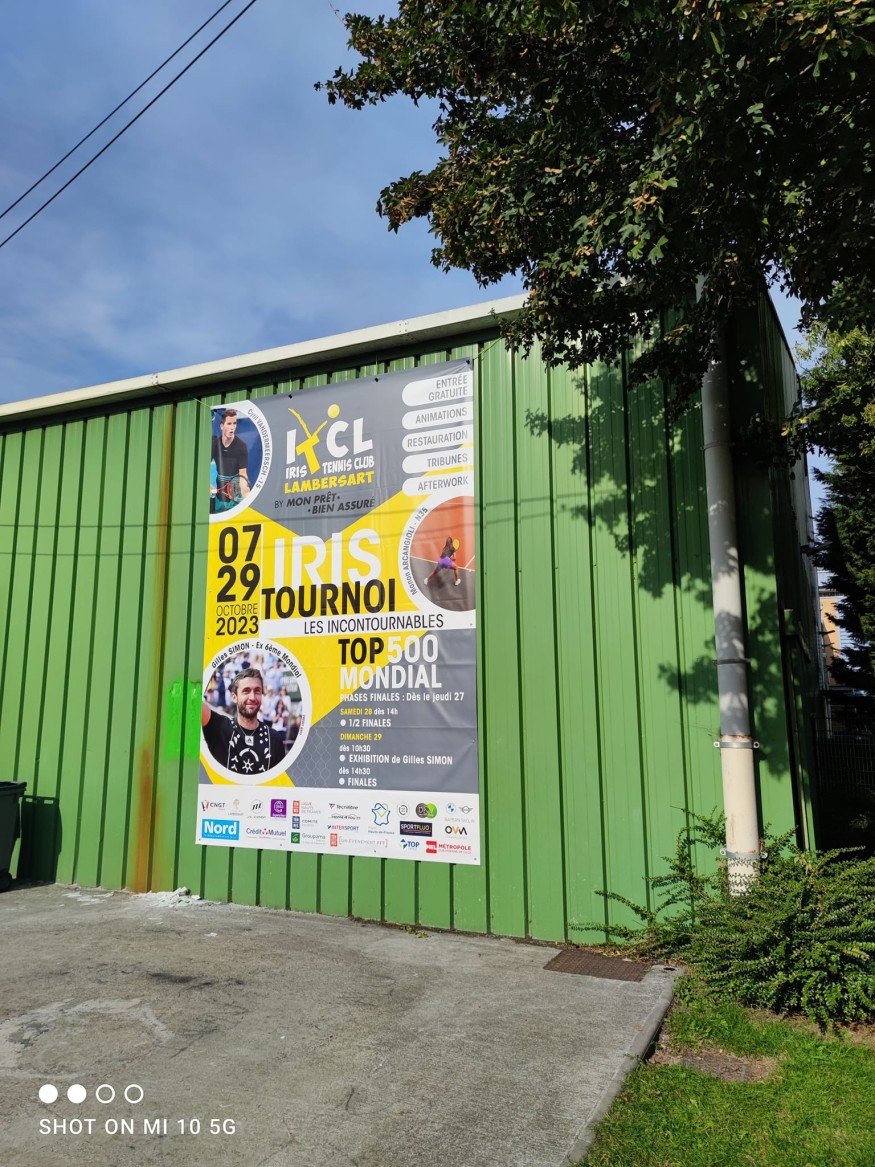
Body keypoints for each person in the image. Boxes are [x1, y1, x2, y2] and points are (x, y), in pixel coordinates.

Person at [202, 668, 288, 774]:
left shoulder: (274, 739)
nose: (252, 697)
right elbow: (192, 699)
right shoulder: (220, 727)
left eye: (257, 691)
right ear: (234, 697)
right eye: (246, 691)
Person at [211, 409, 250, 511]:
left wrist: (244, 489)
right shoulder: (214, 444)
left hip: (236, 493)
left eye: (234, 423)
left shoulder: (241, 446)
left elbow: (243, 473)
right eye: (229, 423)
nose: (232, 427)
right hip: (219, 495)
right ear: (222, 426)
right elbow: (202, 468)